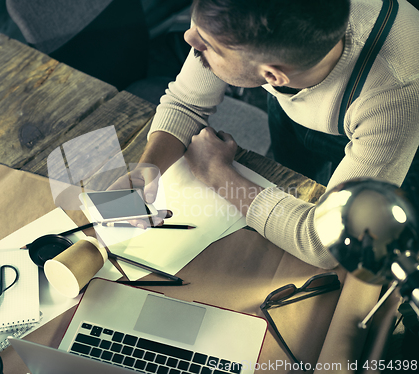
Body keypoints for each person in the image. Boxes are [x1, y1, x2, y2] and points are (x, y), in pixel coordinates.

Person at [110, 0, 419, 269]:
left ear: (273, 75)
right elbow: (186, 102)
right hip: (302, 108)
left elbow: (326, 242)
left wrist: (217, 173)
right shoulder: (236, 20)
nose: (189, 38)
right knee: (292, 184)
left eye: (208, 45)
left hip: (395, 137)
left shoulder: (396, 96)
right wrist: (144, 172)